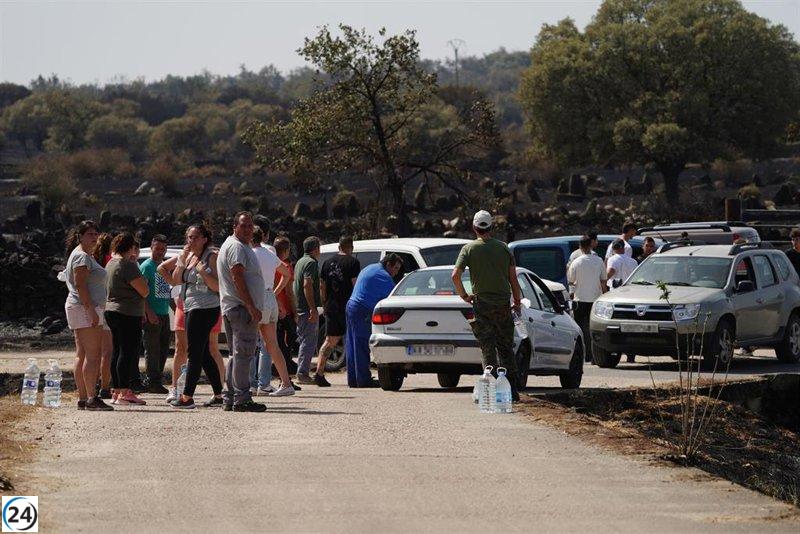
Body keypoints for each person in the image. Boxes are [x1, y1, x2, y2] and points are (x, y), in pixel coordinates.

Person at [452, 210, 523, 401]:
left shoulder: (468, 249)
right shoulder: (504, 248)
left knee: (487, 348)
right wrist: (517, 303)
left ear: (474, 227)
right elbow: (513, 280)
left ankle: (490, 389)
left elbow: (455, 276)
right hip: (503, 304)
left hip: (481, 304)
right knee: (505, 347)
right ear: (491, 227)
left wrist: (464, 295)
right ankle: (512, 390)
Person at [163, 223, 225, 409]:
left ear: (205, 239)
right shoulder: (188, 256)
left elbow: (217, 286)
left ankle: (187, 397)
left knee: (194, 352)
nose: (192, 240)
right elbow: (175, 280)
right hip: (189, 306)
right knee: (203, 353)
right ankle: (219, 394)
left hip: (205, 308)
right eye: (189, 237)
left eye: (196, 237)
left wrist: (203, 272)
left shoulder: (211, 256)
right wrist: (182, 261)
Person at [217, 212, 267, 412]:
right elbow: (237, 277)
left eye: (250, 226)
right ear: (234, 227)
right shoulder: (236, 247)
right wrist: (251, 306)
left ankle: (230, 397)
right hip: (241, 309)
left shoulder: (235, 245)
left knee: (236, 355)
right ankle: (242, 398)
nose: (248, 229)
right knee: (244, 355)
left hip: (234, 308)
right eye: (243, 225)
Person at [64, 220, 113, 411]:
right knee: (93, 355)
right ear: (80, 236)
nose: (94, 237)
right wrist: (90, 310)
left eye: (95, 234)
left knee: (83, 354)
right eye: (89, 234)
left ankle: (84, 398)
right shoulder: (81, 257)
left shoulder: (83, 255)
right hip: (85, 308)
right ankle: (92, 398)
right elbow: (80, 284)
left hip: (80, 307)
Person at [104, 232, 149, 406]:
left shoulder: (110, 263)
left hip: (111, 310)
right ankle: (124, 391)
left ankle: (116, 390)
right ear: (130, 247)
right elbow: (144, 290)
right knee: (128, 352)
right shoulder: (127, 265)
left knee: (117, 350)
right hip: (128, 312)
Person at [250, 226, 295, 397]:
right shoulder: (269, 254)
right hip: (269, 297)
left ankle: (250, 384)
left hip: (256, 297)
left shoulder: (249, 254)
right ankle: (285, 383)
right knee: (272, 345)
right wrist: (275, 293)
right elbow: (286, 274)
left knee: (249, 344)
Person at [345, 254, 403, 387]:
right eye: (395, 268)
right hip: (362, 309)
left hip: (351, 305)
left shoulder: (371, 267)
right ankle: (364, 380)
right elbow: (394, 297)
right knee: (361, 345)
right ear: (388, 264)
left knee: (352, 344)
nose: (396, 272)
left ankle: (353, 379)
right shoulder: (384, 276)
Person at [315, 236, 361, 387]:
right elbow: (355, 285)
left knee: (330, 341)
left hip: (331, 307)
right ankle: (357, 374)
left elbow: (322, 286)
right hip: (347, 307)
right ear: (351, 247)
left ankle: (319, 372)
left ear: (339, 246)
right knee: (353, 340)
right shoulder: (353, 263)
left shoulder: (327, 263)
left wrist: (324, 304)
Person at [567, 235, 607, 363]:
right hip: (595, 300)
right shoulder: (599, 261)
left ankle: (584, 355)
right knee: (594, 328)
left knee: (580, 329)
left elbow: (571, 281)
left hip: (579, 300)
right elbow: (604, 280)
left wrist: (572, 293)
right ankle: (594, 356)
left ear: (580, 246)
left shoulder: (576, 262)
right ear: (591, 245)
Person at [139, 235, 171, 394]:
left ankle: (156, 378)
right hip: (152, 314)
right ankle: (152, 381)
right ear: (151, 248)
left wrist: (175, 308)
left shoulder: (164, 266)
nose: (160, 252)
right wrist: (149, 312)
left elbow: (168, 291)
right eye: (157, 248)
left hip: (164, 313)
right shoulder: (146, 267)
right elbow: (140, 292)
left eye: (163, 249)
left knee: (164, 349)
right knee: (152, 350)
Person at [293, 236, 322, 384]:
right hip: (306, 308)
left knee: (305, 340)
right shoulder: (311, 263)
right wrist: (312, 308)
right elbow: (307, 284)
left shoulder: (300, 261)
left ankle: (301, 372)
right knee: (309, 341)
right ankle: (302, 373)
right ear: (315, 248)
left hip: (300, 307)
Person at [274, 236, 299, 375]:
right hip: (285, 310)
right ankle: (286, 372)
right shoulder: (286, 267)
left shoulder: (271, 264)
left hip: (273, 308)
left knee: (276, 342)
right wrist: (295, 312)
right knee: (288, 343)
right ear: (286, 250)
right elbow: (289, 293)